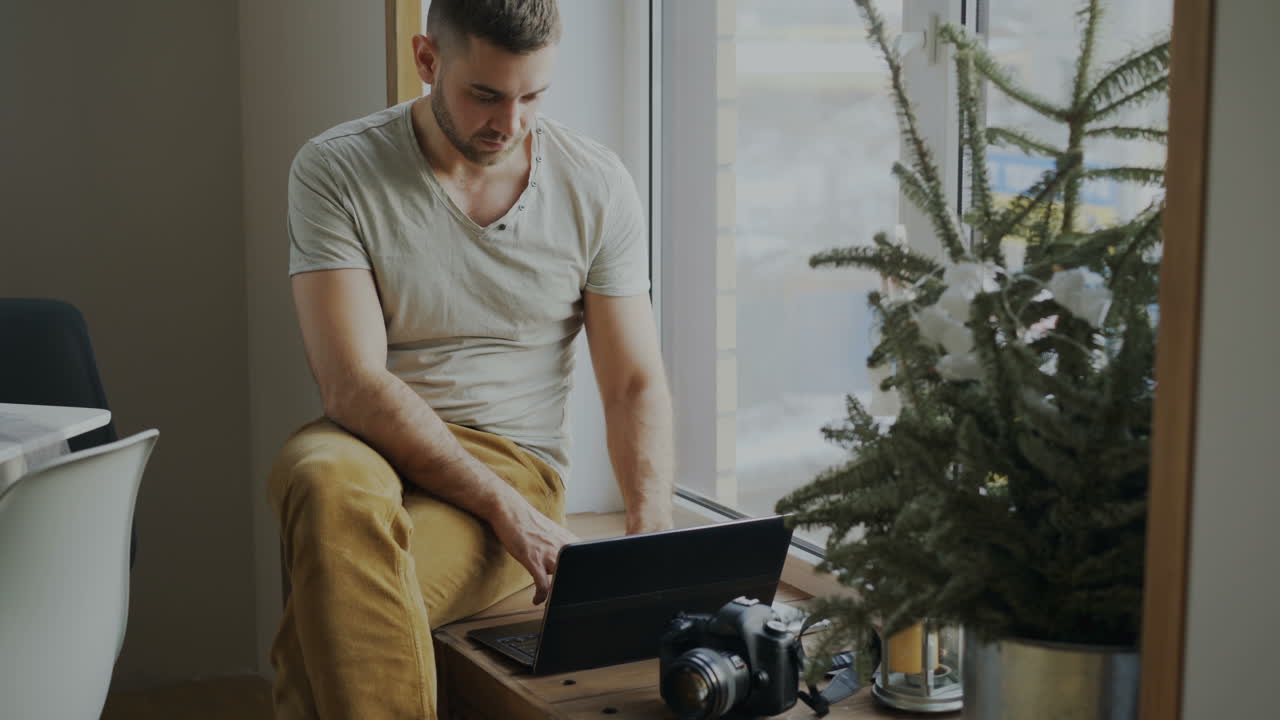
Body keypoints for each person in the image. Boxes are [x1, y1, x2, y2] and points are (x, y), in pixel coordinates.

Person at [266, 1, 674, 717]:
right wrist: (503, 511)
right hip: (371, 443)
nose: (509, 125)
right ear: (428, 61)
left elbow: (633, 381)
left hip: (513, 457)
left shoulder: (596, 184)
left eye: (533, 97)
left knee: (333, 614)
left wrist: (650, 539)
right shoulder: (337, 169)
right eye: (484, 95)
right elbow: (352, 384)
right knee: (321, 475)